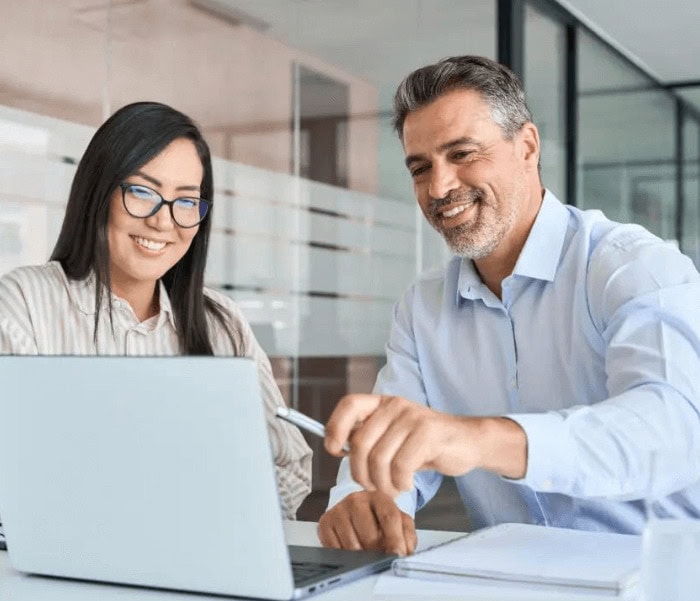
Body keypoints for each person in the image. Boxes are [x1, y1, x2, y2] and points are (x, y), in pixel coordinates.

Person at [318, 55, 700, 555]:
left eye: (462, 154)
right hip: (506, 587)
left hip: (654, 590)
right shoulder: (422, 309)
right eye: (420, 168)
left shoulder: (632, 267)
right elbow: (396, 448)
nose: (439, 187)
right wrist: (365, 497)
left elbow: (672, 431)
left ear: (527, 147)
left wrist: (477, 439)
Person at [0, 101, 312, 519]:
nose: (163, 222)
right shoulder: (24, 305)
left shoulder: (221, 322)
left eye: (186, 201)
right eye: (142, 192)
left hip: (208, 556)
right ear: (99, 192)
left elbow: (289, 464)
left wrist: (216, 512)